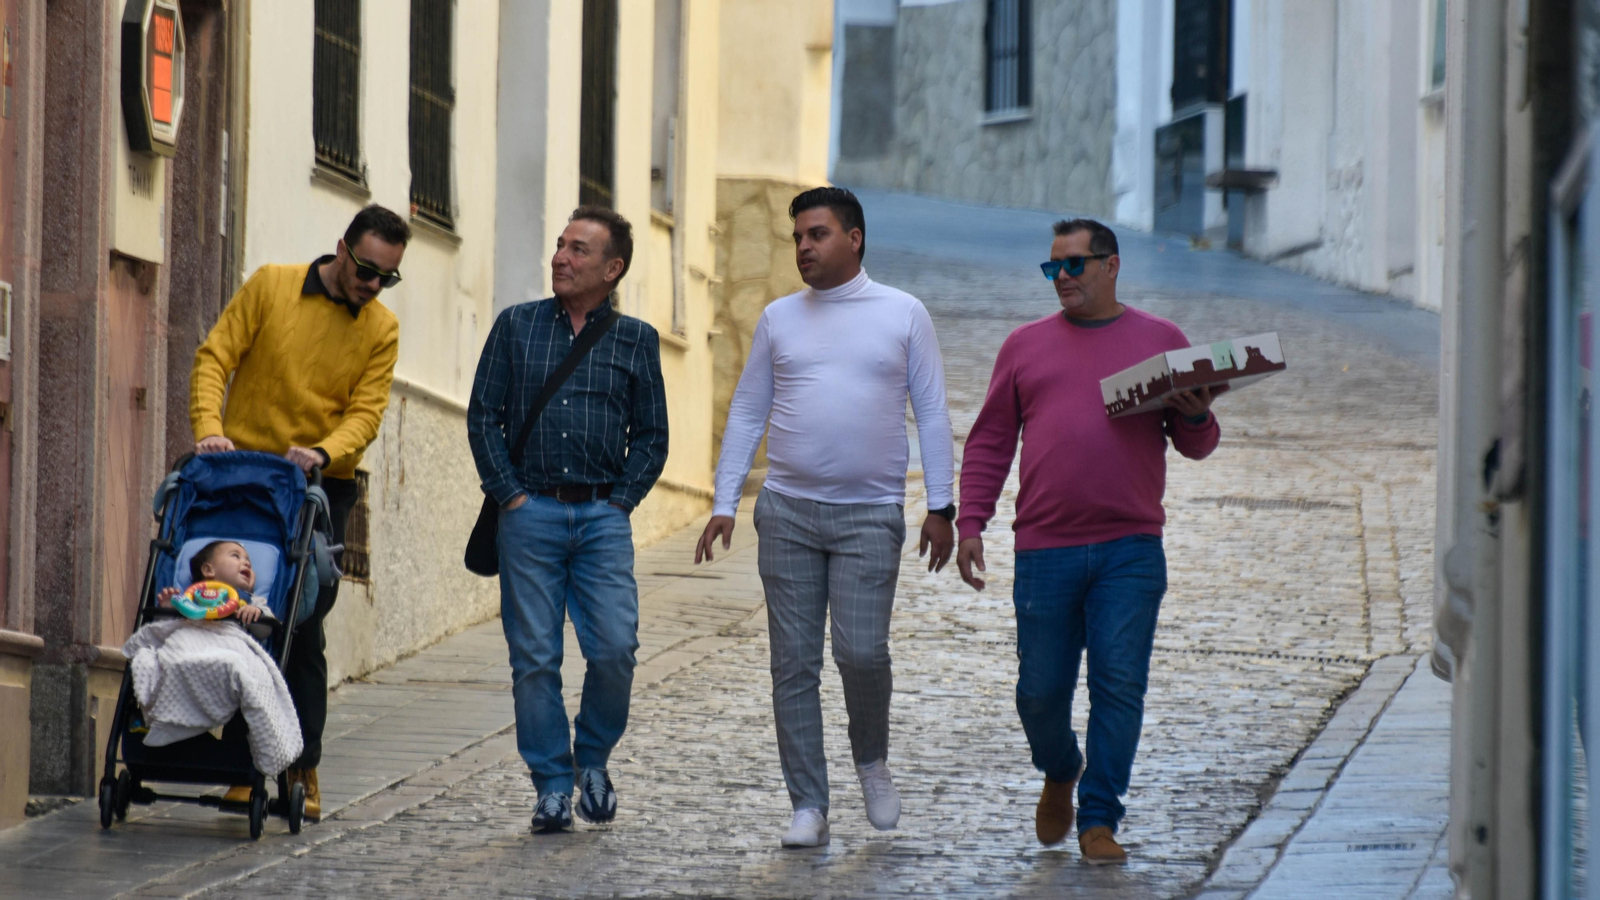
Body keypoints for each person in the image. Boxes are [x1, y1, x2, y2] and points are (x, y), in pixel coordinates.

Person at [695, 187, 956, 849]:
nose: (804, 248)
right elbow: (749, 410)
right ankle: (808, 803)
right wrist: (726, 502)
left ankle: (870, 758)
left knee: (861, 652)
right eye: (797, 238)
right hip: (786, 513)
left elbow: (931, 412)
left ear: (854, 238)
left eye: (816, 234)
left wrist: (942, 508)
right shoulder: (780, 318)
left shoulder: (903, 314)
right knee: (794, 665)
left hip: (870, 515)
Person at [954, 218, 1220, 864]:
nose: (1063, 278)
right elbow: (991, 440)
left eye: (1075, 265)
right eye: (1053, 268)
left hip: (1130, 548)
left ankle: (1100, 818)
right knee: (1039, 691)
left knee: (1119, 683)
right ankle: (1061, 766)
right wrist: (970, 521)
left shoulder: (1162, 342)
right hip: (1044, 548)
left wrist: (1194, 412)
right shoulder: (1024, 346)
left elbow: (1198, 444)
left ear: (1112, 266)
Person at [189, 204, 409, 820]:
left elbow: (366, 412)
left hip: (317, 487)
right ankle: (244, 764)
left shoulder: (381, 329)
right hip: (242, 479)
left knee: (301, 624)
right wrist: (209, 428)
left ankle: (302, 766)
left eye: (386, 278)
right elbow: (215, 357)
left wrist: (324, 450)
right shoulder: (272, 285)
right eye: (366, 270)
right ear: (341, 248)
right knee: (231, 615)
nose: (372, 286)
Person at [467, 207, 668, 834]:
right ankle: (552, 785)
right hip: (530, 514)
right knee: (534, 658)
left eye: (579, 250)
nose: (561, 257)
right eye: (560, 245)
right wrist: (511, 497)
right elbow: (483, 418)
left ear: (612, 268)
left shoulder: (636, 339)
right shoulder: (516, 326)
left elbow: (653, 435)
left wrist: (621, 501)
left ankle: (594, 761)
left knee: (615, 649)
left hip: (603, 517)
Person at [126, 541, 304, 778]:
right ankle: (159, 720)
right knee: (155, 661)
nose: (246, 562)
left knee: (235, 667)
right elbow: (165, 629)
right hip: (188, 643)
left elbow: (266, 630)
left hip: (226, 645)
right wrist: (169, 608)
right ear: (209, 571)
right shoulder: (190, 598)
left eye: (248, 560)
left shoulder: (250, 601)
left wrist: (257, 615)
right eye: (236, 556)